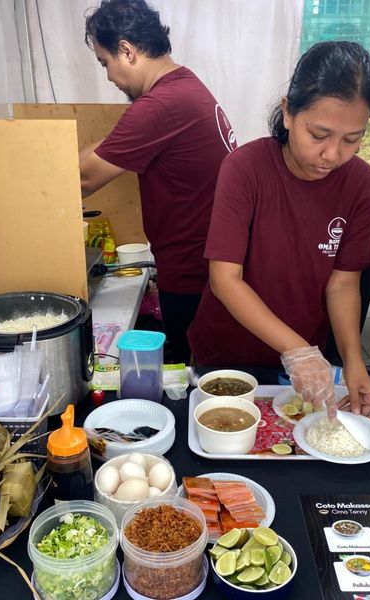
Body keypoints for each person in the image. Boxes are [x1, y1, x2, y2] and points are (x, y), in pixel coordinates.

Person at [187, 41, 370, 421]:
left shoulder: (362, 185)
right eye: (319, 134)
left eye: (351, 139)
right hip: (226, 356)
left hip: (301, 366)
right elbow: (226, 279)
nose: (332, 154)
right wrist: (297, 350)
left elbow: (343, 284)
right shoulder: (245, 170)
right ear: (288, 112)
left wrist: (353, 361)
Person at [80, 0, 237, 363]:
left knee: (189, 374)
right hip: (204, 265)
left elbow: (82, 180)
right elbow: (109, 147)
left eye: (106, 63)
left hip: (193, 275)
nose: (108, 76)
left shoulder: (160, 105)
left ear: (126, 50)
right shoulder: (183, 85)